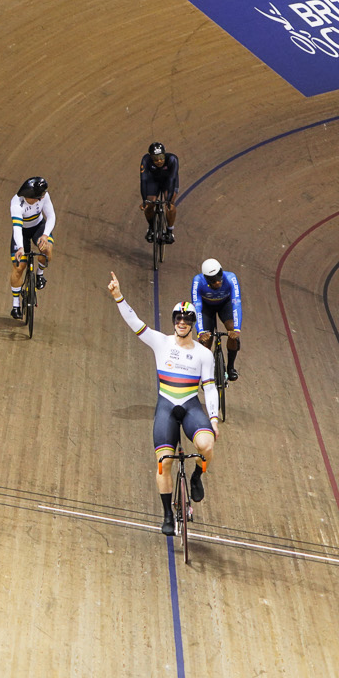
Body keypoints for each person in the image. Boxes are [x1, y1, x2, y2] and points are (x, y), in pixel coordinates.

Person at [107, 274, 220, 535]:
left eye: (187, 320)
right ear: (174, 322)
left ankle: (196, 476)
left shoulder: (203, 354)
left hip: (191, 406)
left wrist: (213, 419)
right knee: (164, 463)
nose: (182, 323)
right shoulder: (161, 341)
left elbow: (210, 388)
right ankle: (168, 514)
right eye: (178, 319)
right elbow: (135, 323)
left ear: (192, 324)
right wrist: (118, 297)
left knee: (207, 444)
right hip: (167, 407)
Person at [8, 176, 54, 323]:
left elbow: (51, 216)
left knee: (46, 250)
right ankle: (16, 305)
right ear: (30, 197)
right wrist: (21, 248)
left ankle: (40, 274)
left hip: (38, 228)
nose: (41, 199)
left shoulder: (44, 196)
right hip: (21, 231)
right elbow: (17, 228)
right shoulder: (16, 204)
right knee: (19, 266)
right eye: (38, 197)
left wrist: (45, 235)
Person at [191, 258, 242, 382]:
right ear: (207, 279)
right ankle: (205, 372)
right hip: (206, 308)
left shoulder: (231, 278)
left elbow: (236, 303)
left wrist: (237, 330)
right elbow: (196, 307)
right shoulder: (198, 281)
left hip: (225, 305)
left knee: (232, 329)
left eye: (219, 279)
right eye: (213, 281)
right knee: (206, 342)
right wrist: (201, 332)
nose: (218, 283)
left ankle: (230, 367)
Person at [140, 141, 179, 244]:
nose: (159, 161)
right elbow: (143, 181)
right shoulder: (145, 160)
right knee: (149, 205)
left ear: (165, 154)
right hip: (154, 181)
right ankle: (152, 228)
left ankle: (170, 231)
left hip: (169, 182)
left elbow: (172, 179)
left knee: (170, 204)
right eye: (155, 159)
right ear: (151, 157)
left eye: (161, 157)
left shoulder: (172, 159)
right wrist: (144, 200)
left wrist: (168, 200)